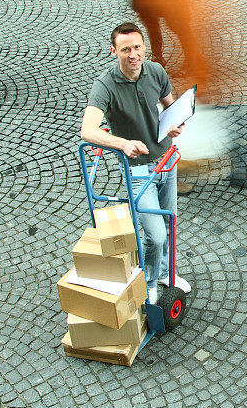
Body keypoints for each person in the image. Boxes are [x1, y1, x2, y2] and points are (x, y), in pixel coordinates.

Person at [81, 22, 192, 305]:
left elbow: (170, 106)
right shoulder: (105, 85)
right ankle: (150, 282)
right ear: (114, 51)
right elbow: (88, 131)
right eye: (126, 49)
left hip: (166, 161)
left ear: (144, 48)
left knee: (169, 225)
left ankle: (168, 274)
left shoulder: (155, 71)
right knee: (154, 235)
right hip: (138, 170)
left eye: (137, 47)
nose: (133, 54)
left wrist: (175, 124)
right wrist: (123, 144)